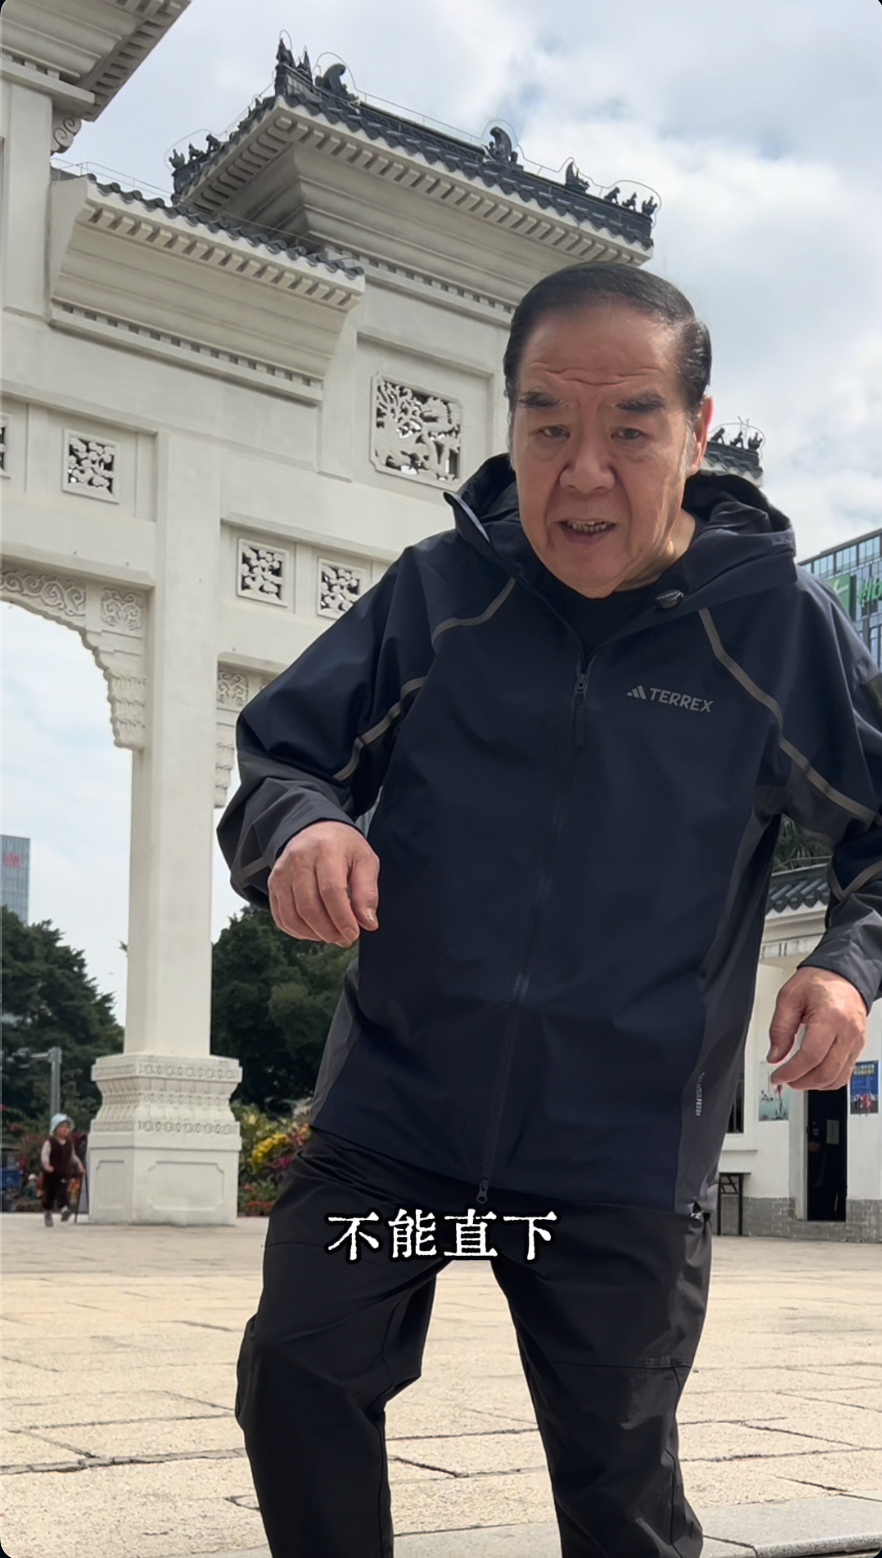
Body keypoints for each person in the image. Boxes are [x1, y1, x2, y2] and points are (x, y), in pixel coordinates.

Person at [218, 262, 878, 1558]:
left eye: (630, 426)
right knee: (296, 1373)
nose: (583, 472)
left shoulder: (770, 629)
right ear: (509, 417)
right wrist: (302, 829)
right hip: (397, 1119)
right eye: (547, 422)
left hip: (616, 1152)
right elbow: (284, 759)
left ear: (696, 431)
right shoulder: (440, 596)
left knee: (619, 1489)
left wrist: (850, 961)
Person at [41, 1113, 84, 1227]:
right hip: (51, 1174)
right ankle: (47, 1212)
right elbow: (45, 1155)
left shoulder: (69, 1144)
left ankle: (64, 1209)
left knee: (62, 1191)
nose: (66, 1129)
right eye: (62, 1127)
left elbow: (73, 1156)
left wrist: (79, 1165)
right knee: (49, 1194)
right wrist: (46, 1165)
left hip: (64, 1172)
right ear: (55, 1129)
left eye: (67, 1127)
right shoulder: (50, 1142)